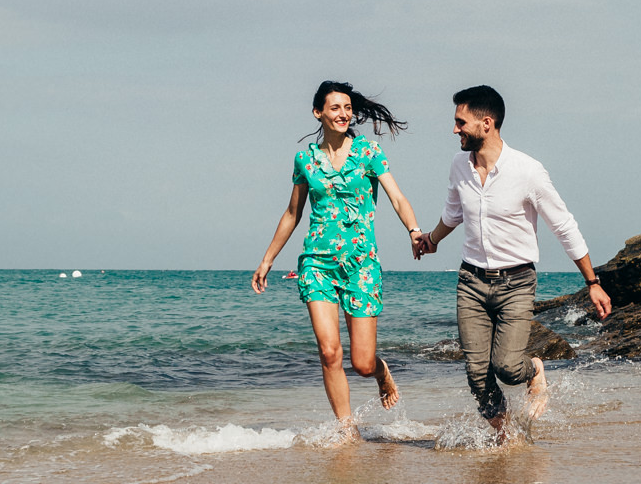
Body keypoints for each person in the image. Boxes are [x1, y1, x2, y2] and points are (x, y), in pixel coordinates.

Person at [415, 85, 612, 439]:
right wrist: (432, 240)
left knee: (506, 367)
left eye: (461, 122)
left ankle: (535, 369)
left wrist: (592, 282)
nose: (455, 130)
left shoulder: (528, 171)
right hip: (471, 282)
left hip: (517, 283)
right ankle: (506, 436)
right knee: (477, 374)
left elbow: (564, 226)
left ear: (486, 123)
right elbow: (453, 213)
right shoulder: (459, 165)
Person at [252, 81, 426, 433]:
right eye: (335, 108)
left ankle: (382, 372)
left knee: (361, 363)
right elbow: (292, 213)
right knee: (330, 352)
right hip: (317, 263)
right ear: (318, 112)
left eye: (347, 108)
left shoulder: (369, 153)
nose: (343, 114)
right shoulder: (306, 159)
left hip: (361, 264)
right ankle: (347, 432)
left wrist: (414, 230)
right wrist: (268, 258)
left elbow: (396, 197)